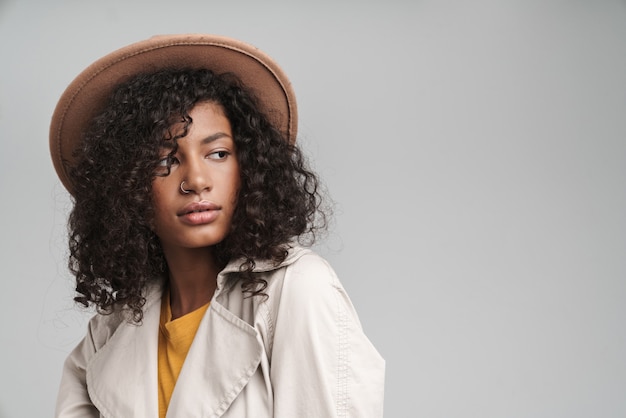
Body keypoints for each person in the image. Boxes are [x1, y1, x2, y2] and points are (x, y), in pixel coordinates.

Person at [50, 34, 385, 418]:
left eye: (219, 153)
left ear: (250, 167)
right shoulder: (107, 333)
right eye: (164, 161)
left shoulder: (298, 290)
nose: (196, 180)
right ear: (126, 188)